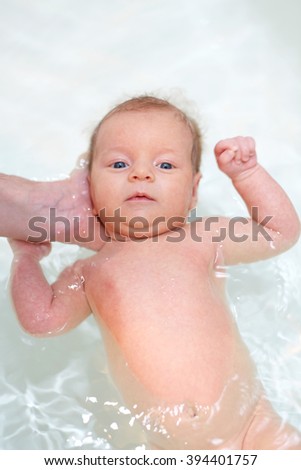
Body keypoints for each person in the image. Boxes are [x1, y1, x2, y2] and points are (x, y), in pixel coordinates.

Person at [6, 96, 301, 449]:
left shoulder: (202, 237)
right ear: (88, 188)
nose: (140, 174)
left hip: (256, 427)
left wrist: (248, 175)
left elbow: (278, 232)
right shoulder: (89, 270)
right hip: (168, 446)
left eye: (164, 165)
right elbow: (43, 320)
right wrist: (25, 259)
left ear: (193, 192)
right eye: (118, 164)